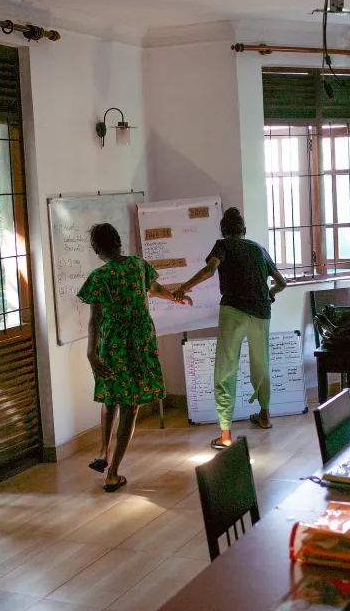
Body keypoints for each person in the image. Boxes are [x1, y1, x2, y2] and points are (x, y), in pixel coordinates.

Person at [77, 223, 191, 491]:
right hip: (139, 341)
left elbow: (95, 321)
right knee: (131, 404)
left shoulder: (100, 276)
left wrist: (91, 352)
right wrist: (176, 298)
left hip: (112, 341)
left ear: (97, 250)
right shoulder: (138, 266)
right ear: (118, 242)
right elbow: (154, 288)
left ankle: (104, 452)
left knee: (111, 394)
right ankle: (113, 473)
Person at [174, 207, 286, 450]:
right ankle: (265, 415)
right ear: (244, 231)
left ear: (224, 231)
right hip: (261, 311)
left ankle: (225, 434)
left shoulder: (222, 246)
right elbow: (282, 282)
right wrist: (270, 293)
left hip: (234, 310)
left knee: (226, 368)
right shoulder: (259, 249)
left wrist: (185, 286)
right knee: (261, 363)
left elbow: (210, 269)